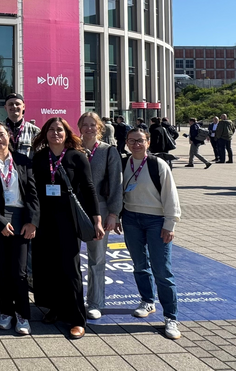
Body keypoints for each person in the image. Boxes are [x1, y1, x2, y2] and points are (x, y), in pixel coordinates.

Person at [30, 117, 102, 339]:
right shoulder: (40, 157)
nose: (55, 133)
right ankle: (55, 308)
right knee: (48, 266)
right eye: (51, 130)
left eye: (59, 130)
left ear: (67, 133)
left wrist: (96, 219)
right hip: (44, 221)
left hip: (68, 220)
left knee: (70, 269)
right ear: (45, 133)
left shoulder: (76, 157)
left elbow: (89, 189)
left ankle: (77, 318)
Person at [119, 128, 182, 340]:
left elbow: (170, 195)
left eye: (140, 140)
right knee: (139, 264)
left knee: (162, 270)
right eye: (131, 140)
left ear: (148, 142)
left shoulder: (158, 165)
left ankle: (171, 317)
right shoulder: (124, 163)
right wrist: (118, 216)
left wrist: (170, 223)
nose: (135, 144)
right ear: (126, 143)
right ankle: (147, 300)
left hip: (156, 220)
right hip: (131, 218)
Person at [0, 121, 38, 335]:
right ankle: (6, 311)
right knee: (1, 270)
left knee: (19, 272)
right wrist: (0, 222)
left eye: (1, 134)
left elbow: (32, 194)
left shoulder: (23, 161)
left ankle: (22, 314)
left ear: (10, 136)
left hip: (22, 220)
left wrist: (32, 221)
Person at [77, 113, 122, 320]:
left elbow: (115, 184)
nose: (88, 129)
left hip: (101, 209)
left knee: (97, 258)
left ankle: (95, 301)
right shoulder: (72, 148)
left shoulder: (107, 151)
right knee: (71, 257)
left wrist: (114, 213)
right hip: (75, 209)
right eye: (84, 125)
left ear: (99, 128)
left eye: (92, 125)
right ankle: (73, 299)